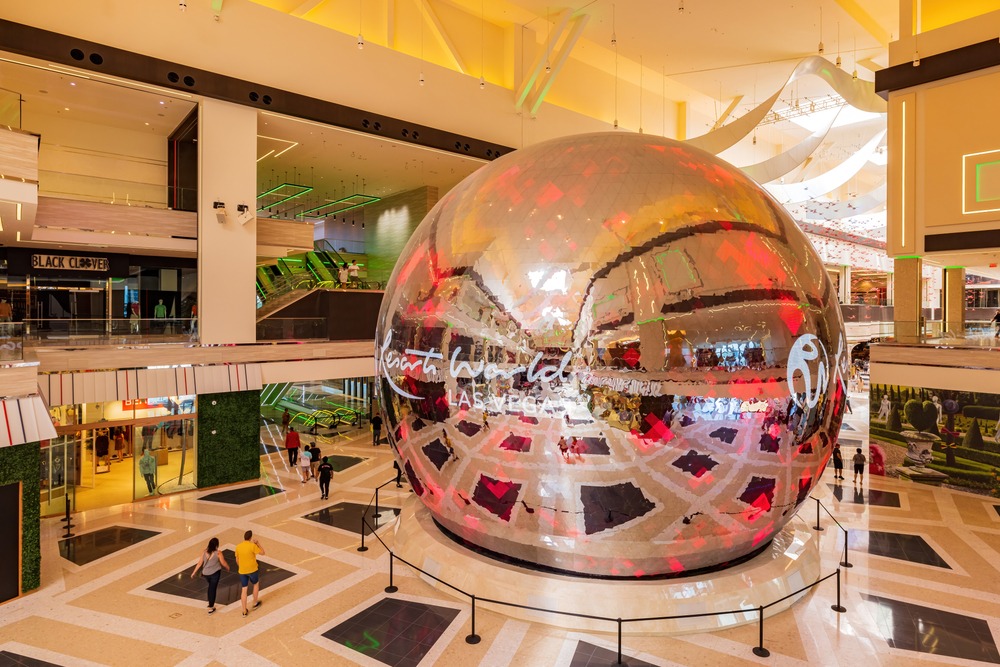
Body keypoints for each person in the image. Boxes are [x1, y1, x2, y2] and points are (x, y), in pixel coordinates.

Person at [189, 537, 230, 614]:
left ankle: (210, 604)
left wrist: (193, 572)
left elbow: (199, 563)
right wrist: (227, 567)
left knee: (211, 587)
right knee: (212, 589)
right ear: (216, 545)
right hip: (215, 573)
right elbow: (223, 562)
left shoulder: (204, 552)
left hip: (206, 574)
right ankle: (210, 607)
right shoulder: (218, 553)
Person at [234, 530, 265, 616]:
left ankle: (244, 611)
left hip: (242, 571)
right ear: (250, 538)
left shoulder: (238, 546)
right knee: (255, 584)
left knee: (244, 589)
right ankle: (255, 603)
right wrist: (258, 543)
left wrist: (241, 566)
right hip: (252, 570)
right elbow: (263, 553)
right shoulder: (252, 546)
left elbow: (237, 559)